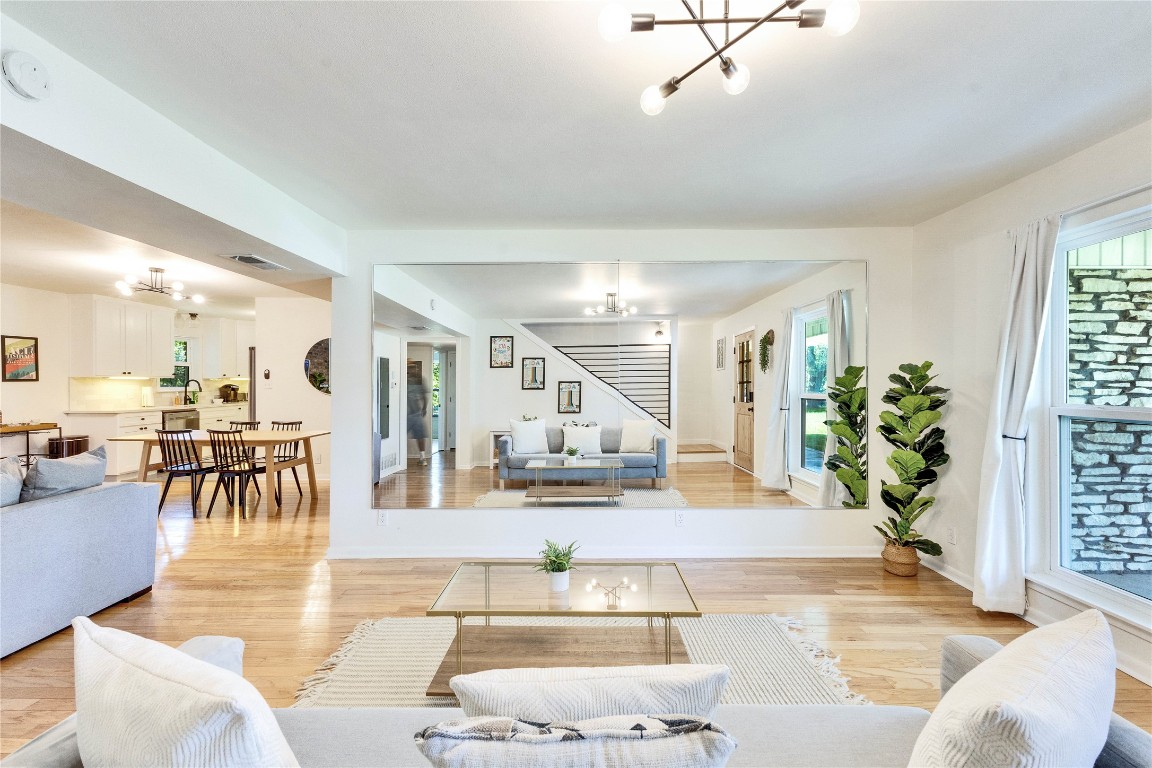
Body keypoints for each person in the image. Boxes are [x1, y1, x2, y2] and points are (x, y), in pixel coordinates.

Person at [406, 362, 430, 466]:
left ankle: (422, 457)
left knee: (420, 435)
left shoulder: (420, 380)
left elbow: (424, 395)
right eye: (411, 368)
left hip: (416, 413)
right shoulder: (403, 379)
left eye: (414, 368)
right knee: (399, 434)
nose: (413, 370)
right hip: (404, 414)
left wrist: (424, 408)